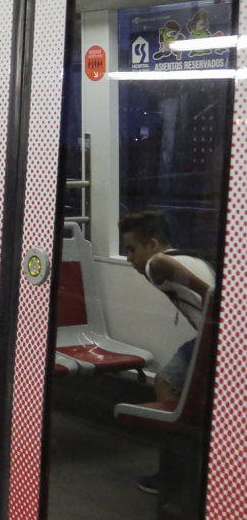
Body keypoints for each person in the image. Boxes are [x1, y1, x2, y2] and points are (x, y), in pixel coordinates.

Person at [119, 211, 215, 495]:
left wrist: (212, 297)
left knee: (166, 383)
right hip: (210, 338)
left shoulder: (156, 264)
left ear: (152, 244)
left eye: (131, 249)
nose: (129, 258)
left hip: (218, 339)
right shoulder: (193, 259)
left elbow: (160, 262)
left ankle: (175, 476)